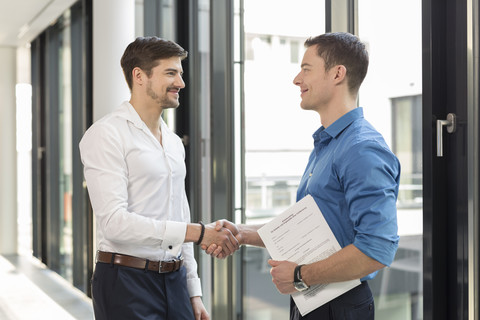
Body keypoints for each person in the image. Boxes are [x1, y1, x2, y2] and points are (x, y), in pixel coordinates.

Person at [206, 32, 400, 319]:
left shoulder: (362, 149)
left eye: (306, 69)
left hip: (339, 304)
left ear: (337, 74)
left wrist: (300, 274)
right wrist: (242, 233)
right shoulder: (329, 143)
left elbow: (377, 248)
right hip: (314, 299)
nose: (297, 79)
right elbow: (311, 230)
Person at [79, 36, 239, 320]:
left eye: (180, 73)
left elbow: (180, 213)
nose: (181, 83)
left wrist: (193, 291)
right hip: (125, 283)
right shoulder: (106, 134)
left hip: (175, 280)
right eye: (170, 73)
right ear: (139, 76)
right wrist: (200, 232)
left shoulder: (175, 143)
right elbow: (115, 224)